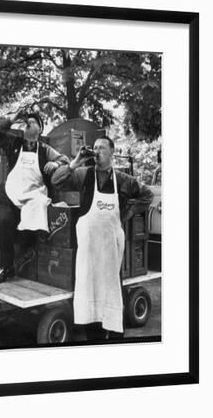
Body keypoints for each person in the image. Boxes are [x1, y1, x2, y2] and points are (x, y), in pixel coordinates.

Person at [51, 136, 154, 340]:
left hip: (111, 254)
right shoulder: (83, 175)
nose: (97, 151)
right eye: (95, 147)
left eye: (102, 148)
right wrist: (74, 163)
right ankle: (94, 339)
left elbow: (147, 195)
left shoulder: (124, 180)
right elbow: (56, 181)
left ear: (112, 152)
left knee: (112, 295)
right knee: (91, 297)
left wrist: (128, 213)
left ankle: (115, 337)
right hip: (89, 254)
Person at [0, 110, 70, 283]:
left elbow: (66, 161)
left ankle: (32, 266)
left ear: (40, 128)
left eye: (32, 122)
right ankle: (7, 268)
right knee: (5, 224)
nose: (28, 124)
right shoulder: (13, 143)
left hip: (34, 195)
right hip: (12, 193)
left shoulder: (46, 150)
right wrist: (12, 118)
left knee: (33, 229)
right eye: (26, 122)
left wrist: (55, 163)